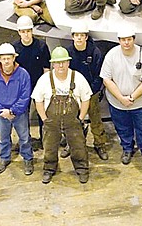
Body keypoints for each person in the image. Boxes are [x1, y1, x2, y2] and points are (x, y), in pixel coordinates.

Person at [32, 47, 92, 184]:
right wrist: (44, 119)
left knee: (78, 147)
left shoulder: (78, 78)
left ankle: (82, 169)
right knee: (49, 147)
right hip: (51, 122)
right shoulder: (44, 79)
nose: (60, 65)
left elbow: (86, 98)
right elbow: (38, 100)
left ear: (68, 63)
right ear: (52, 64)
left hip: (73, 122)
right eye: (57, 62)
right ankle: (49, 169)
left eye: (63, 62)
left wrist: (81, 118)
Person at [100, 26, 142, 168]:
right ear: (119, 41)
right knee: (123, 128)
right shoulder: (111, 56)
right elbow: (106, 79)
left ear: (134, 40)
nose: (126, 43)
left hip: (140, 103)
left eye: (129, 39)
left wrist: (131, 97)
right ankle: (127, 149)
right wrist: (120, 98)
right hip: (117, 103)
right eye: (123, 40)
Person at [0, 43, 34, 176]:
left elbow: (25, 96)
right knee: (4, 138)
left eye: (9, 58)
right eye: (3, 58)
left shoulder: (23, 74)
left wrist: (13, 111)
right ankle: (4, 158)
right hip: (2, 114)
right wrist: (1, 111)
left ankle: (28, 159)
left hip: (19, 113)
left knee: (24, 138)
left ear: (14, 58)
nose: (6, 61)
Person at [68, 22, 108, 160]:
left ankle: (100, 144)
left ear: (86, 37)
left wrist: (90, 92)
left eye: (82, 35)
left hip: (91, 92)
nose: (79, 38)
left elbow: (99, 75)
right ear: (73, 37)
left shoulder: (95, 52)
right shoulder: (68, 53)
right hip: (73, 92)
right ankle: (72, 144)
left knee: (95, 119)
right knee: (72, 120)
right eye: (76, 35)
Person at [13, 15, 51, 148]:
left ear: (32, 31)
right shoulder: (15, 49)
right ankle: (25, 140)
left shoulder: (41, 46)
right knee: (22, 115)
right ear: (19, 32)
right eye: (23, 32)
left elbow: (46, 67)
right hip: (22, 87)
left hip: (38, 85)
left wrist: (45, 87)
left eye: (28, 31)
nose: (26, 34)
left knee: (43, 114)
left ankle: (45, 139)